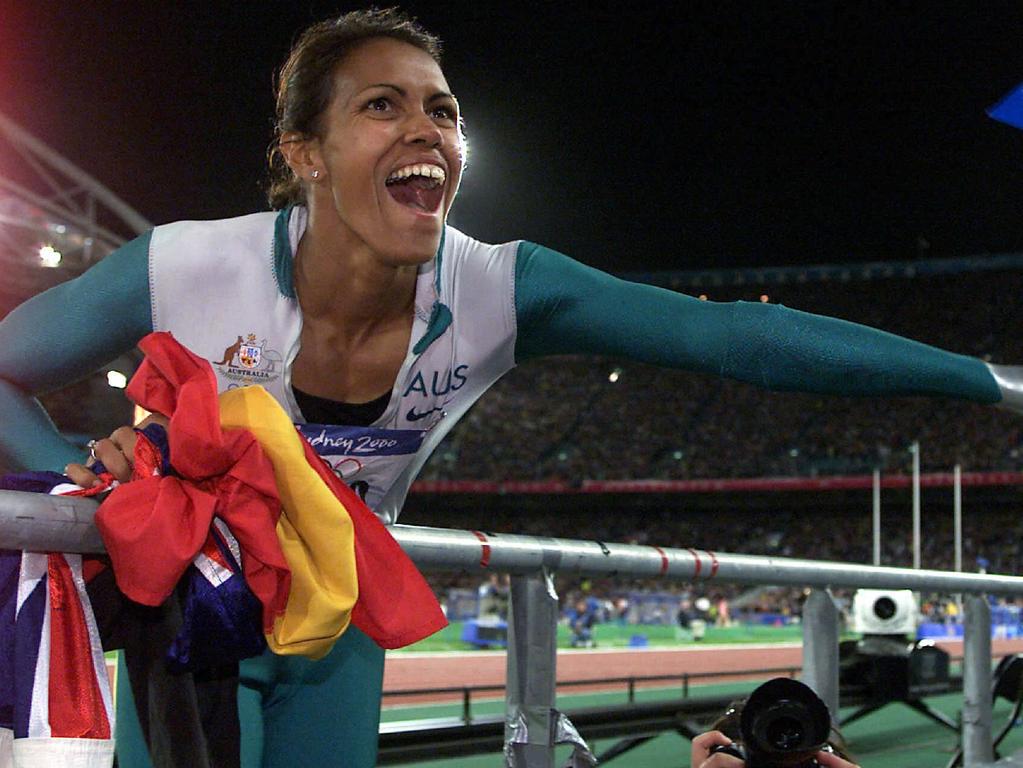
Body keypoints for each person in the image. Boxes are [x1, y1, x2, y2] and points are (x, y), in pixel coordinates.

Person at [2, 7, 1023, 767]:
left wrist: (990, 380)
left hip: (344, 616)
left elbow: (736, 341)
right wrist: (85, 488)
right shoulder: (183, 269)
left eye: (442, 111)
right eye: (381, 105)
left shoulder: (500, 288)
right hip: (194, 619)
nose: (427, 130)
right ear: (301, 154)